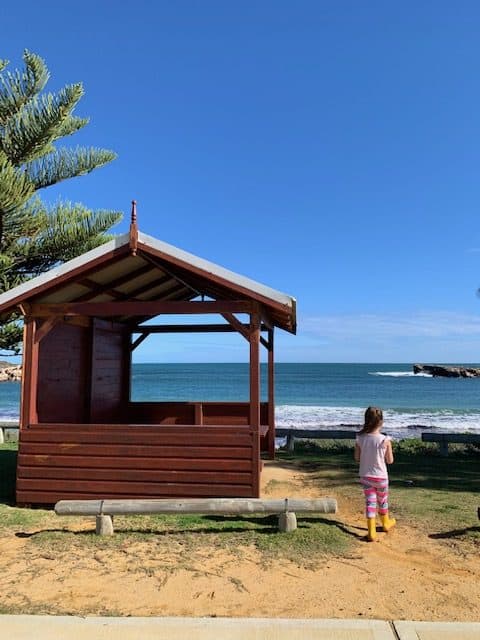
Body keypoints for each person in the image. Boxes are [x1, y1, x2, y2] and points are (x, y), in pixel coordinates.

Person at [354, 406, 396, 542]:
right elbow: (390, 460)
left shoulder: (360, 438)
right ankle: (385, 523)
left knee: (370, 502)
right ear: (381, 422)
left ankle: (371, 531)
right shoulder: (385, 440)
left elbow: (357, 458)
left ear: (366, 420)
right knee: (382, 501)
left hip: (366, 476)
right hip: (381, 477)